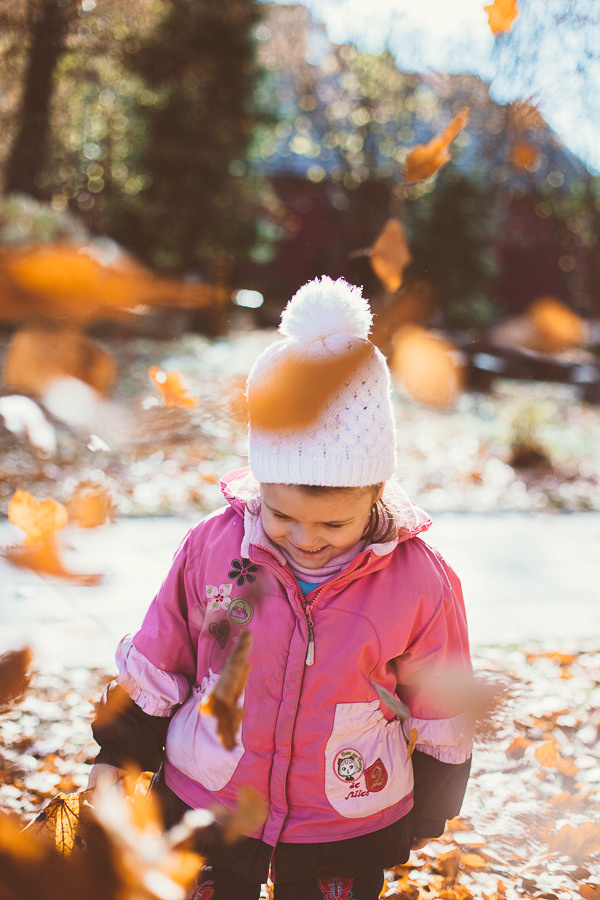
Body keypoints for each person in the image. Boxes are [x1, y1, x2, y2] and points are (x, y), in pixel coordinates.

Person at [88, 276, 473, 900]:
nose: (306, 538)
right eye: (282, 515)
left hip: (345, 810)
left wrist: (430, 802)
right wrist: (119, 752)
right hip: (211, 792)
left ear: (376, 493)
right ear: (259, 485)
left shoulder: (418, 581)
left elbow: (441, 700)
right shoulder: (213, 551)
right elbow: (163, 657)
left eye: (333, 524)